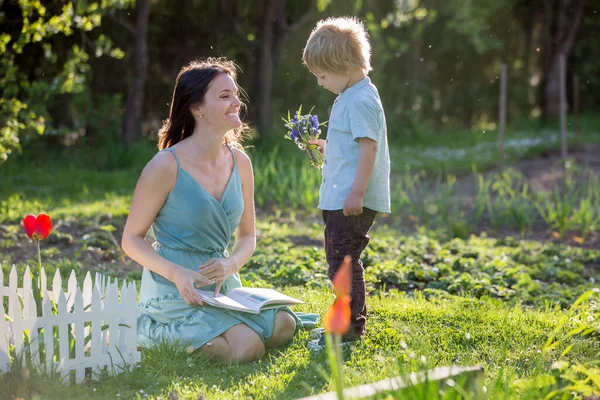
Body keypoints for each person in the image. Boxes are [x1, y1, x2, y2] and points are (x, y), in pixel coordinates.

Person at [121, 58, 301, 363]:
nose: (237, 102)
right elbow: (131, 240)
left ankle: (226, 330)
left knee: (285, 324)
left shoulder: (240, 162)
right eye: (224, 96)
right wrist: (176, 273)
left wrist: (231, 264)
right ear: (197, 108)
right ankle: (151, 336)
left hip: (222, 283)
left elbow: (247, 238)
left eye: (235, 94)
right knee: (248, 347)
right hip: (176, 286)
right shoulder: (165, 166)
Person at [303, 17, 391, 346]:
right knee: (338, 261)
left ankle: (349, 328)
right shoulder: (351, 95)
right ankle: (345, 321)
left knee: (343, 263)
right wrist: (328, 145)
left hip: (351, 200)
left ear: (342, 65)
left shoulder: (361, 100)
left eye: (322, 75)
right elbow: (354, 144)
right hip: (340, 197)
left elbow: (369, 148)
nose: (320, 82)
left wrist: (357, 192)